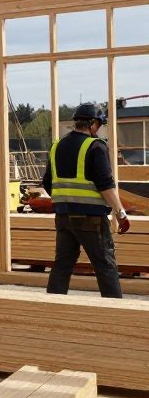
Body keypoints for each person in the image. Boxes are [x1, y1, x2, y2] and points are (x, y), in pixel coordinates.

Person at [41, 102, 130, 299]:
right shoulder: (95, 146)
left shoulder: (57, 146)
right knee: (105, 265)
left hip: (63, 218)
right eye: (99, 124)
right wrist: (120, 213)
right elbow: (105, 185)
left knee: (62, 265)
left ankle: (52, 308)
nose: (99, 129)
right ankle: (115, 312)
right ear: (92, 123)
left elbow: (48, 182)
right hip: (90, 219)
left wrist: (65, 200)